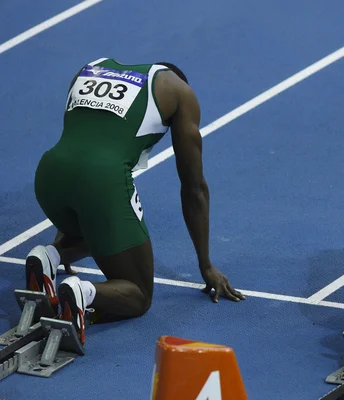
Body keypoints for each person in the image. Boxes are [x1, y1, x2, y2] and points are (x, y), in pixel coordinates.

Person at [25, 58, 245, 344]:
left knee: (101, 227)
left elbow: (83, 144)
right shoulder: (178, 91)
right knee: (138, 294)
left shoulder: (93, 67)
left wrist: (68, 230)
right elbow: (194, 189)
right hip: (102, 183)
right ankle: (83, 292)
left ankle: (50, 256)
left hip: (48, 177)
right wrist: (206, 265)